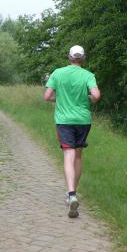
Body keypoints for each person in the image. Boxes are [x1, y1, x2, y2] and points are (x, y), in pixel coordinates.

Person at [43, 45, 101, 218]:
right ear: (83, 59)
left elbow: (47, 96)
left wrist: (59, 99)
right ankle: (74, 190)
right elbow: (96, 96)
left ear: (69, 57)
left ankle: (71, 194)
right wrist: (88, 100)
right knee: (78, 156)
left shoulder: (58, 73)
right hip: (83, 120)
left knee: (68, 155)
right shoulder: (88, 75)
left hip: (64, 121)